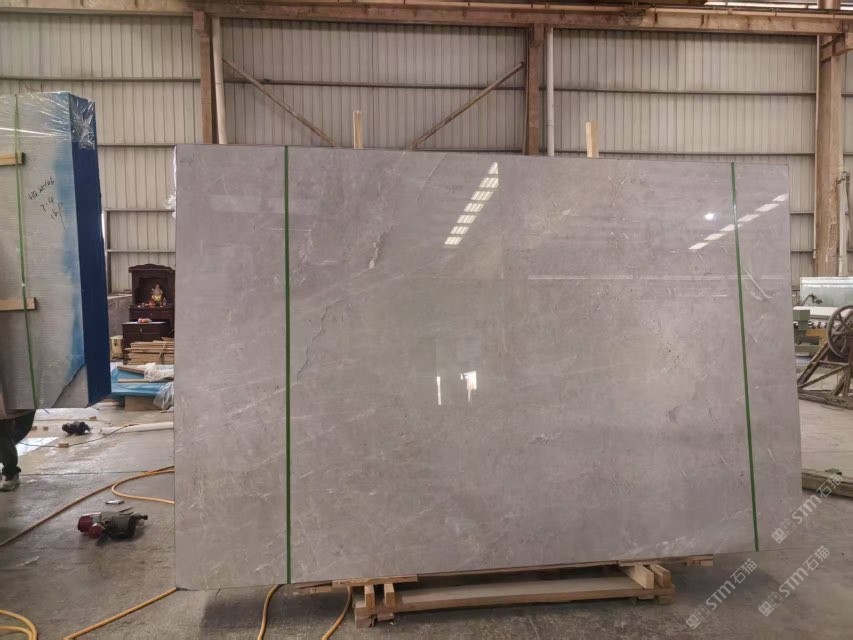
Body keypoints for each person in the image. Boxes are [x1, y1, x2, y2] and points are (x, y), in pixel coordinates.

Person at [0, 410, 35, 492]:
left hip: (23, 406)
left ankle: (10, 471)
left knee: (21, 428)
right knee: (3, 434)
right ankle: (10, 472)